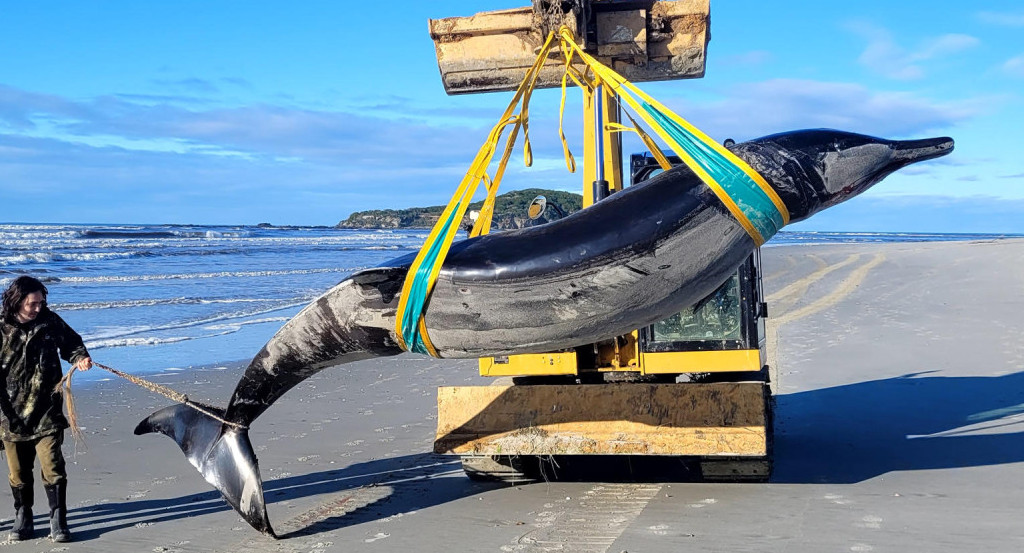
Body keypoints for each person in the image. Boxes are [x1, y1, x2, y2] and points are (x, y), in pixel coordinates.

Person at [0, 276, 91, 542]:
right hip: (10, 415)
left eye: (42, 302)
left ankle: (58, 519)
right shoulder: (1, 328)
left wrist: (80, 357)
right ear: (17, 301)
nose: (39, 307)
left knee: (52, 465)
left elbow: (72, 343)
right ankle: (23, 516)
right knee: (18, 471)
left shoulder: (51, 322)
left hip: (47, 410)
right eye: (33, 303)